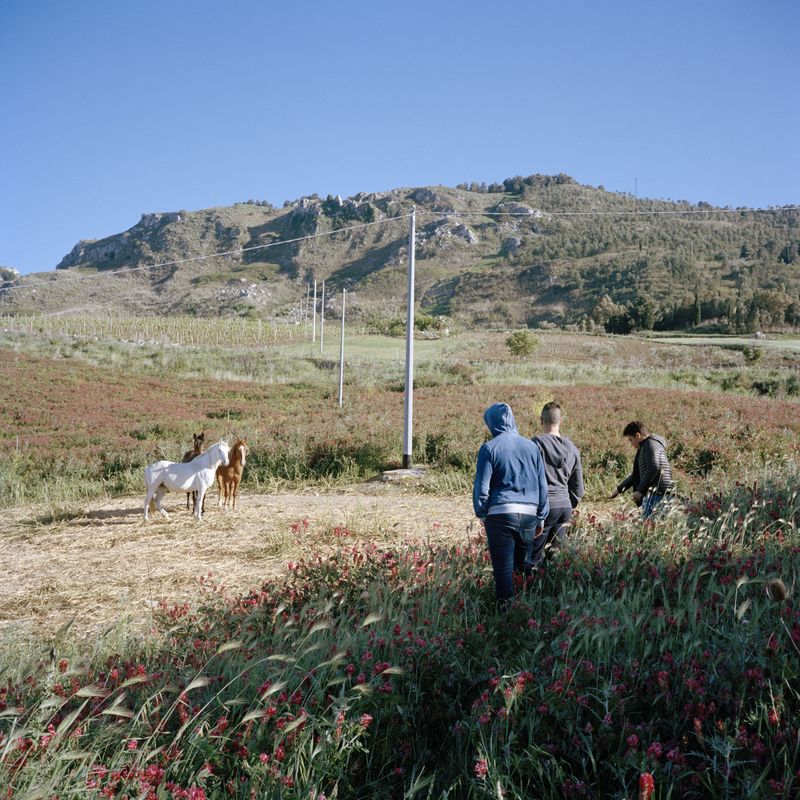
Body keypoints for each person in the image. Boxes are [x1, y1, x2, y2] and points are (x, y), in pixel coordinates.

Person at [473, 402, 549, 604]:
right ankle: (527, 611)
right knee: (523, 567)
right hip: (529, 515)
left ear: (491, 423)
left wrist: (483, 514)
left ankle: (505, 616)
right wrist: (540, 517)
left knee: (503, 571)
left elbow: (482, 488)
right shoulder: (532, 447)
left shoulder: (489, 448)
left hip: (500, 514)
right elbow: (542, 485)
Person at [531, 402, 584, 566]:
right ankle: (553, 590)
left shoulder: (535, 444)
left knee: (534, 556)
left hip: (544, 507)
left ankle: (533, 590)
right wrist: (569, 502)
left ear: (541, 420)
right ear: (560, 420)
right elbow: (578, 488)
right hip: (564, 507)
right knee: (555, 557)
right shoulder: (572, 448)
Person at [609, 420, 675, 519]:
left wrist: (640, 490)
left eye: (631, 440)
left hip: (657, 495)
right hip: (655, 494)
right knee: (651, 527)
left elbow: (653, 468)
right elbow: (636, 475)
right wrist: (618, 490)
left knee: (650, 527)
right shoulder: (645, 447)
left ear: (638, 435)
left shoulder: (650, 444)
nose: (631, 444)